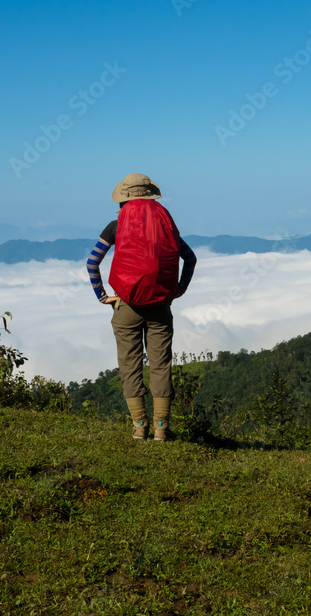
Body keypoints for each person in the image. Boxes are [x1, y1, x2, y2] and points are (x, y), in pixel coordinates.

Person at [86, 173, 197, 441]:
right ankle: (161, 430)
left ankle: (139, 427)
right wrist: (179, 289)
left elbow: (92, 262)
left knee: (129, 365)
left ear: (123, 199)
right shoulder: (164, 225)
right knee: (160, 364)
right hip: (161, 305)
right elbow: (190, 258)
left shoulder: (115, 226)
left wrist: (102, 296)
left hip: (126, 305)